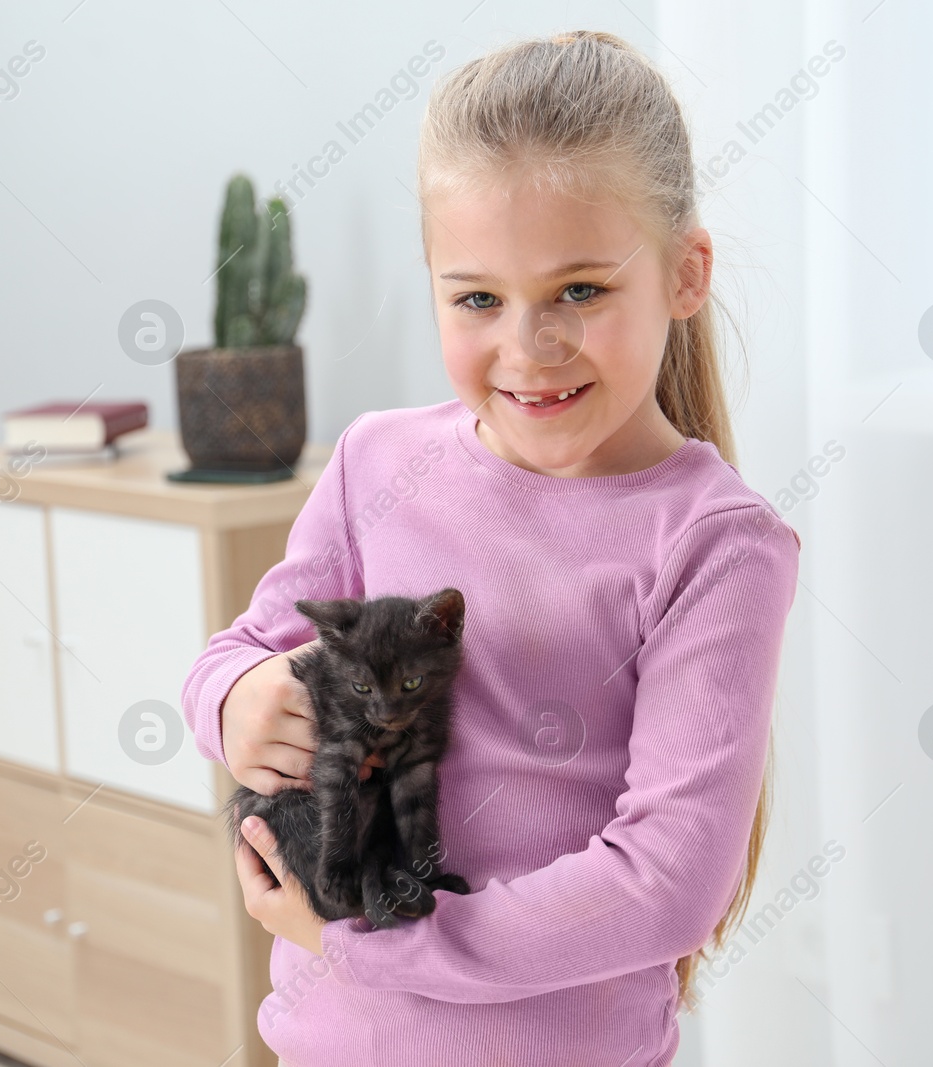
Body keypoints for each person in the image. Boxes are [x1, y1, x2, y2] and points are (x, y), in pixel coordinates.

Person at [180, 29, 800, 1067]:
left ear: (684, 273)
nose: (528, 345)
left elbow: (665, 882)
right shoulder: (376, 461)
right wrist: (237, 701)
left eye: (580, 291)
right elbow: (236, 652)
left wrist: (379, 946)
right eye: (477, 298)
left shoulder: (713, 543)